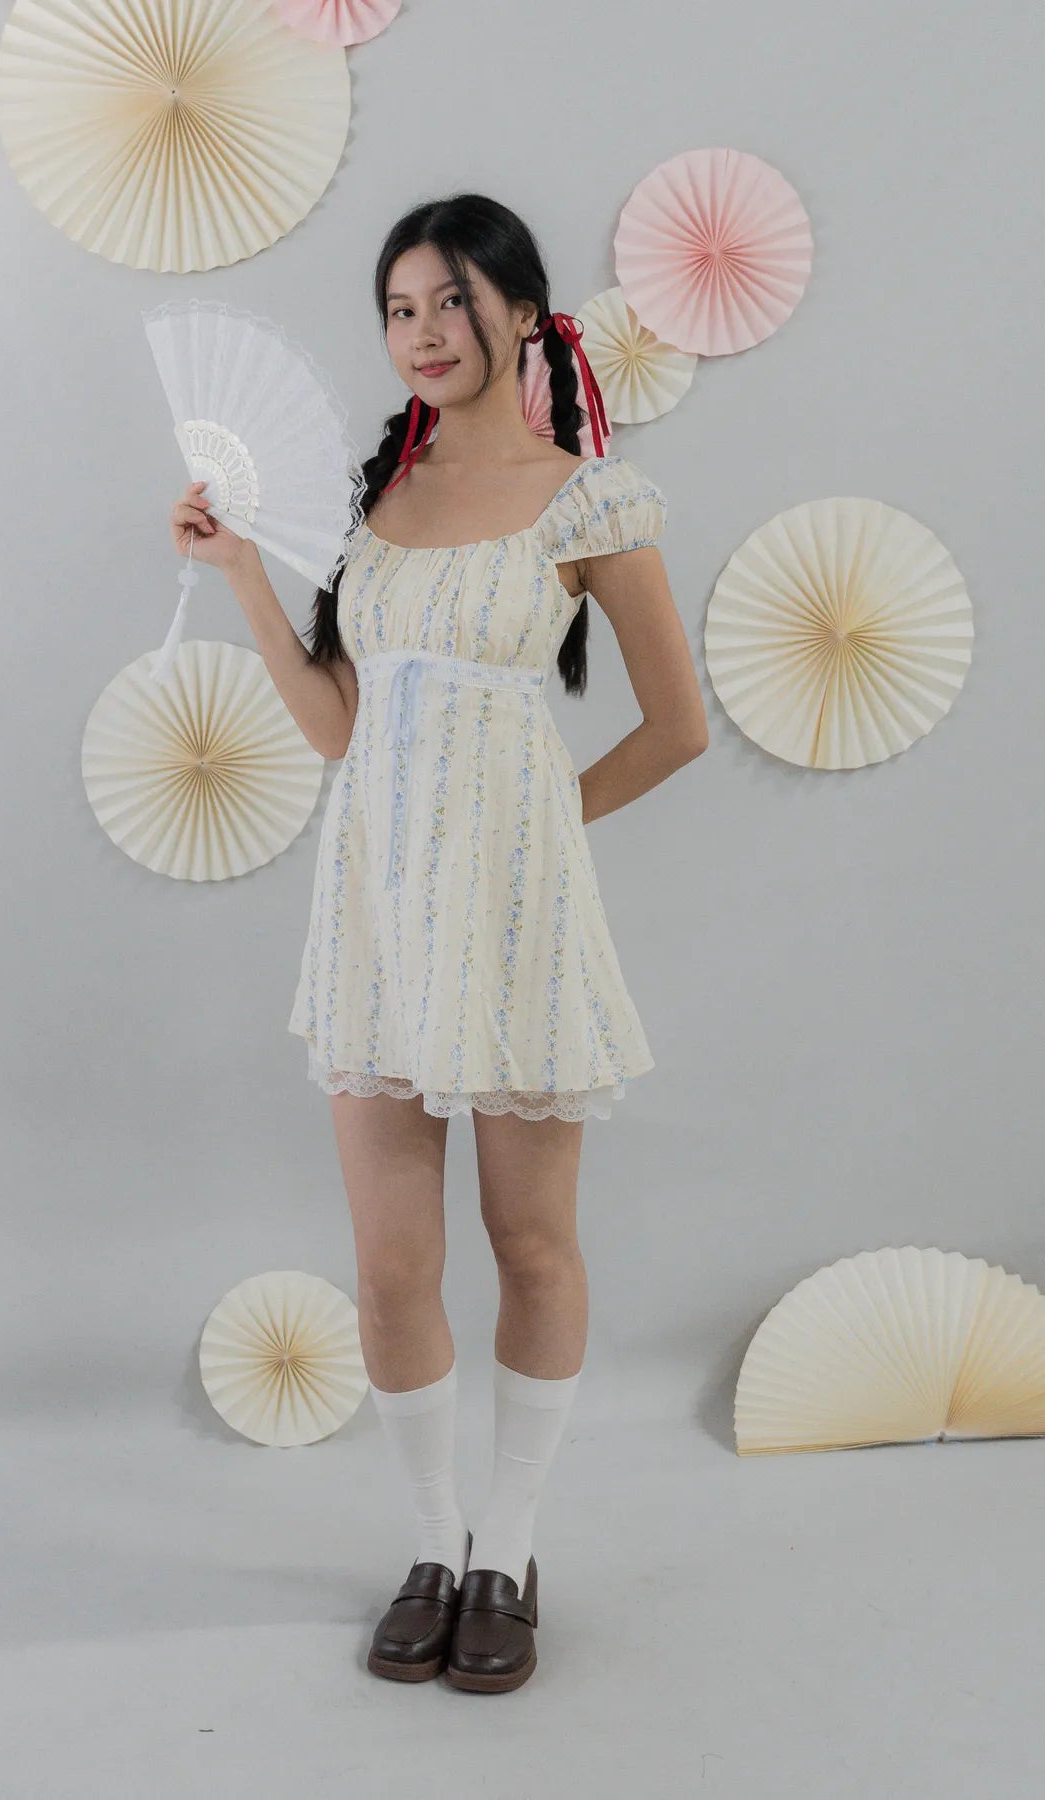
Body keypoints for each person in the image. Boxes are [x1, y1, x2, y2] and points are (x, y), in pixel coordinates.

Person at [169, 192, 708, 1693]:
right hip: (377, 924)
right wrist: (245, 580)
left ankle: (506, 1551)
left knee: (529, 1243)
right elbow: (342, 732)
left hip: (517, 925)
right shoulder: (377, 506)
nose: (422, 332)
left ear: (522, 315)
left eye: (451, 301)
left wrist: (536, 835)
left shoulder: (590, 502)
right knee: (391, 1263)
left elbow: (677, 726)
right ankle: (429, 1539)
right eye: (399, 308)